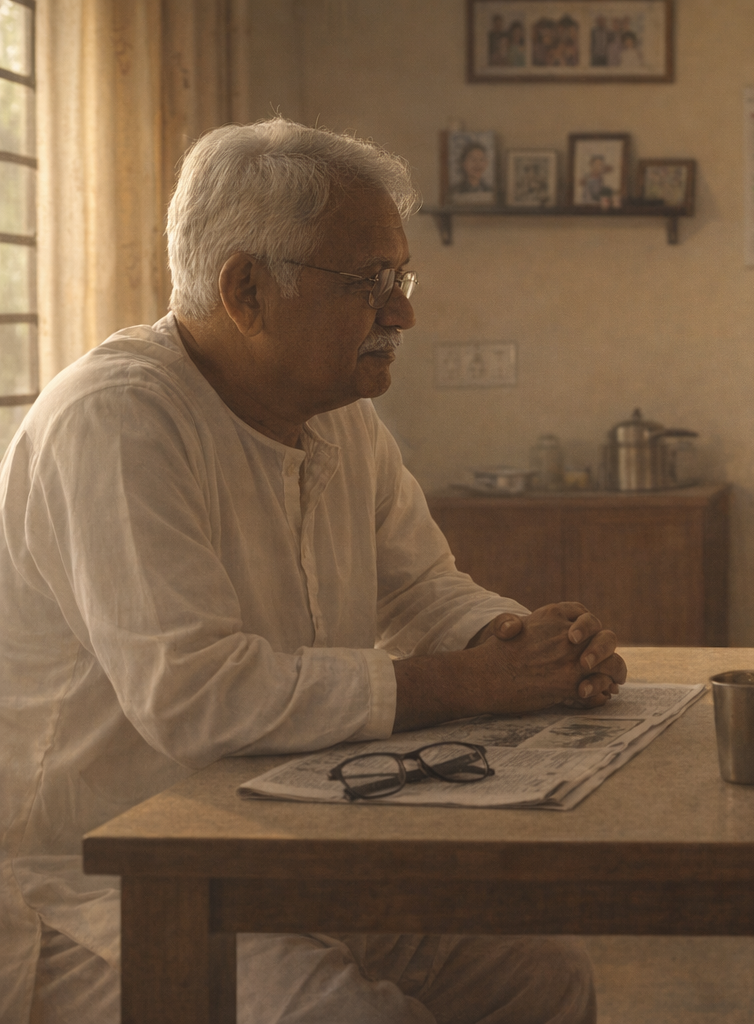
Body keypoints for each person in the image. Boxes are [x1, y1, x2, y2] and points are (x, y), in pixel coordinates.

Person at [0, 118, 626, 1022]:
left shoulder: (335, 413)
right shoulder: (117, 420)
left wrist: (519, 641)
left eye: (400, 279)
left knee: (539, 970)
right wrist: (467, 681)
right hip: (98, 885)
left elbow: (416, 588)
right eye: (370, 284)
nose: (403, 312)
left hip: (278, 847)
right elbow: (198, 695)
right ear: (246, 289)